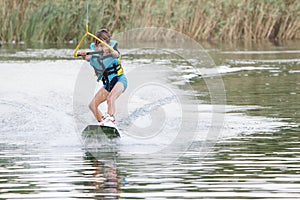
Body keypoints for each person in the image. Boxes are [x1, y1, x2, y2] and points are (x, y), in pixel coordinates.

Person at [80, 29, 127, 127]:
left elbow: (116, 54)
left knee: (110, 98)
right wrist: (84, 56)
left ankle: (110, 120)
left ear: (108, 44)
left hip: (119, 80)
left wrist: (111, 52)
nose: (99, 48)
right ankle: (102, 123)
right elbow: (88, 58)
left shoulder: (113, 52)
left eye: (102, 45)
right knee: (92, 105)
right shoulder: (96, 53)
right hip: (108, 84)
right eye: (97, 45)